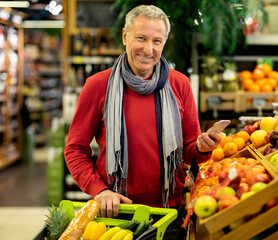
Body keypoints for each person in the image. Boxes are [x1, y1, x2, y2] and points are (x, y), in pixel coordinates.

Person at [64, 4, 221, 238]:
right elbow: (75, 150)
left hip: (170, 214)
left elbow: (189, 152)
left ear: (164, 43)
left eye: (157, 41)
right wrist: (100, 190)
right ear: (125, 36)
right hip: (117, 213)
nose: (148, 49)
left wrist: (202, 147)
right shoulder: (97, 86)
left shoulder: (180, 85)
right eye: (141, 38)